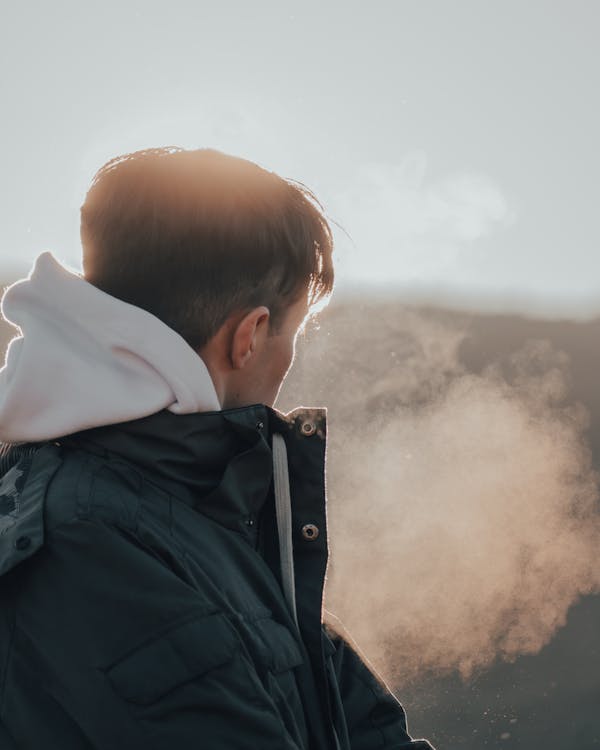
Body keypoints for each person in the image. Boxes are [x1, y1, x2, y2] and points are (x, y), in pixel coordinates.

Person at [0, 147, 435, 749]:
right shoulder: (89, 537)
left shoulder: (197, 509)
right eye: (293, 333)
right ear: (250, 336)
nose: (290, 361)